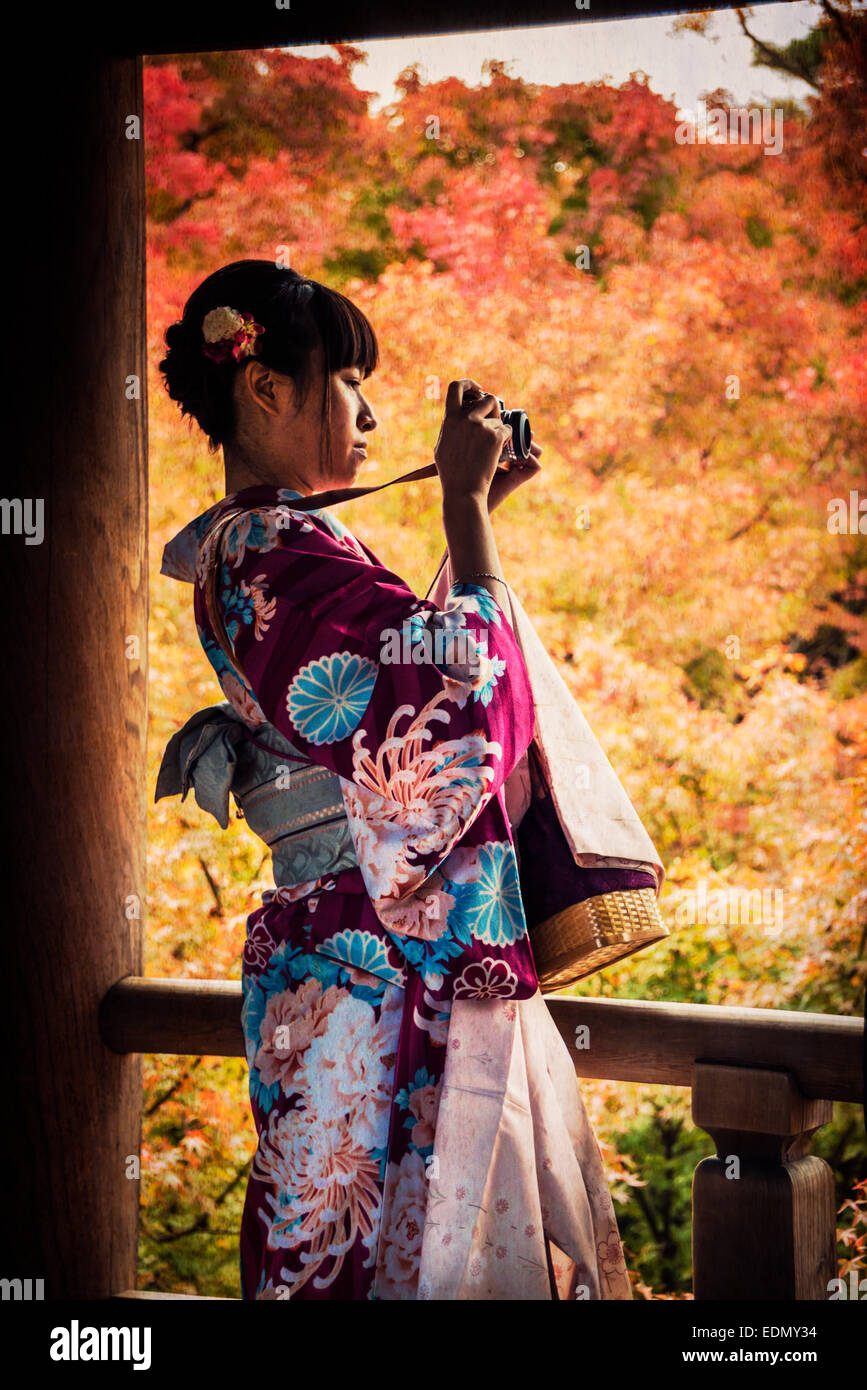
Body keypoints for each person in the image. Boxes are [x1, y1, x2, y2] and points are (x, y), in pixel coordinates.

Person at [156, 258, 652, 1300]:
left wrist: (482, 513)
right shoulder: (263, 547)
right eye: (348, 382)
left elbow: (409, 681)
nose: (370, 409)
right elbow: (437, 728)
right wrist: (465, 513)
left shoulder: (276, 546)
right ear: (266, 388)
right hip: (369, 962)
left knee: (386, 1248)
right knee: (396, 1251)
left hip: (350, 948)